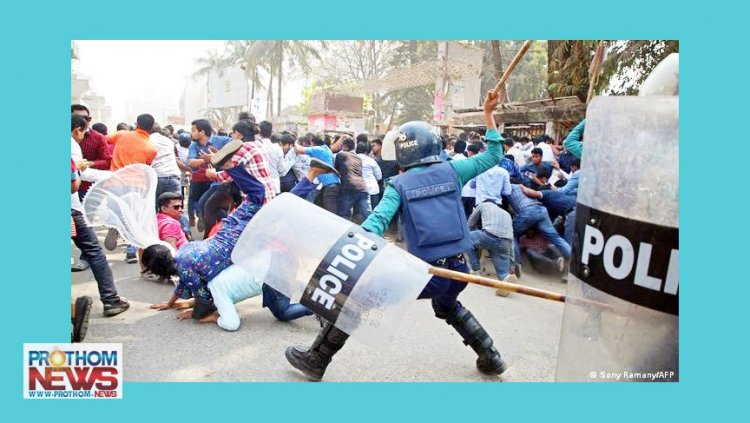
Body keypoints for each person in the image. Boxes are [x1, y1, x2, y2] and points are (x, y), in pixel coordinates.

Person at [285, 91, 509, 381]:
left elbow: (377, 222)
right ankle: (490, 355)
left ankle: (317, 359)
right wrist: (489, 114)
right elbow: (494, 154)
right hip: (460, 268)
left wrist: (349, 246)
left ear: (403, 152)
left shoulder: (399, 184)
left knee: (356, 300)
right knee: (447, 305)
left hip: (429, 272)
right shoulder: (455, 170)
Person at [70, 114, 130, 317]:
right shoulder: (70, 145)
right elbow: (74, 183)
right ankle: (111, 300)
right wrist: (115, 175)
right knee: (95, 252)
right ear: (77, 130)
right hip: (72, 210)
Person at [107, 113, 159, 263]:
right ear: (152, 128)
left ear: (136, 124)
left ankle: (114, 225)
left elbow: (104, 140)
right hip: (136, 185)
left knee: (116, 211)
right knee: (134, 219)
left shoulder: (122, 134)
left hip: (115, 181)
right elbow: (146, 168)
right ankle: (130, 252)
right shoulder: (151, 149)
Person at [465, 201, 516, 297]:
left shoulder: (483, 205)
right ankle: (505, 278)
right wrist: (512, 264)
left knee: (467, 239)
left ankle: (476, 271)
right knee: (503, 272)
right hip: (505, 242)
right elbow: (512, 242)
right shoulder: (507, 214)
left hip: (488, 235)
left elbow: (470, 224)